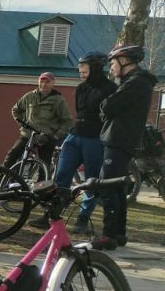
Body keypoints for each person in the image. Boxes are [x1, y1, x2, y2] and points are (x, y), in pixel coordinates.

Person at [91, 44, 158, 250]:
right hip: (121, 139)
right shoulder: (133, 82)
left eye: (112, 63)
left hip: (119, 139)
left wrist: (106, 106)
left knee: (106, 184)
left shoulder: (136, 82)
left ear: (124, 61)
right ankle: (119, 233)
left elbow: (108, 106)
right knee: (118, 186)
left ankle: (109, 234)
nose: (111, 68)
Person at [44, 51, 116, 232]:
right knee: (61, 177)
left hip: (95, 140)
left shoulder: (110, 89)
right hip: (74, 136)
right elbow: (80, 111)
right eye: (79, 67)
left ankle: (82, 220)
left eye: (83, 67)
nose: (80, 70)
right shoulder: (81, 88)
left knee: (91, 182)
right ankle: (52, 216)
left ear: (95, 68)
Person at [2, 72, 72, 170]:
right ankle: (4, 177)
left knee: (44, 165)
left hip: (47, 137)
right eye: (41, 81)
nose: (43, 84)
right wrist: (24, 124)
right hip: (28, 134)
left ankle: (43, 180)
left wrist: (56, 136)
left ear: (53, 83)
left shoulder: (59, 101)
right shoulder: (29, 96)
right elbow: (15, 110)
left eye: (47, 82)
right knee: (12, 155)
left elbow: (67, 121)